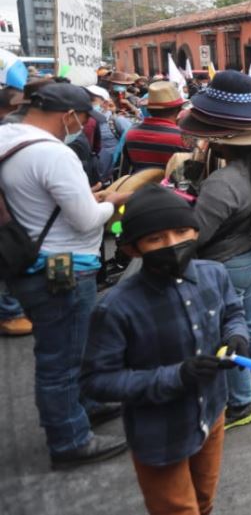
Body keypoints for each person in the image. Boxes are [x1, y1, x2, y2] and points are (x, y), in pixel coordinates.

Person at [81, 185, 248, 515]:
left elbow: (234, 311)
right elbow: (96, 381)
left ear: (195, 232)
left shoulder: (214, 274)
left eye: (181, 231)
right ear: (134, 248)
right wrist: (176, 376)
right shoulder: (116, 308)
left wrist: (237, 335)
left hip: (212, 414)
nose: (172, 244)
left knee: (203, 501)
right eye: (156, 238)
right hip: (160, 434)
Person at [0, 83, 130, 467]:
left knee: (70, 346)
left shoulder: (8, 136)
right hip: (62, 269)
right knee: (61, 358)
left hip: (27, 260)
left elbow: (38, 199)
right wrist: (113, 203)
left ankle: (84, 404)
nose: (84, 125)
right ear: (67, 115)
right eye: (84, 118)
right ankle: (69, 438)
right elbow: (87, 218)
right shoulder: (52, 153)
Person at [187, 72, 251, 430]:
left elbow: (195, 234)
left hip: (228, 264)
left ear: (223, 137)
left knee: (226, 334)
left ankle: (240, 405)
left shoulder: (222, 183)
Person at [119, 81, 187, 175]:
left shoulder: (130, 133)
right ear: (179, 109)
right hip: (171, 189)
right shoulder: (183, 137)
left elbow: (126, 168)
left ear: (149, 109)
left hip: (138, 187)